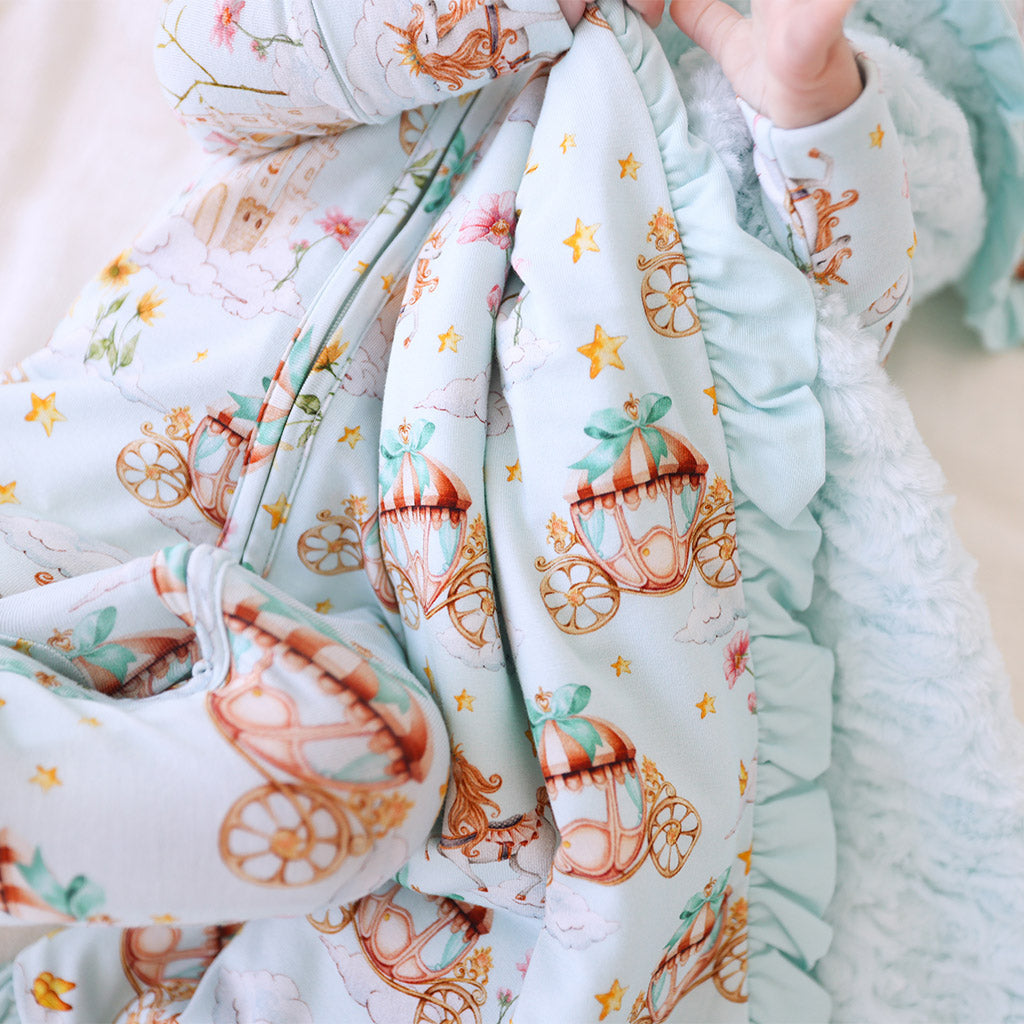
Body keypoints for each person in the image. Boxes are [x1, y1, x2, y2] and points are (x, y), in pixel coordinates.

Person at [0, 1, 1021, 1021]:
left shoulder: (803, 80)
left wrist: (805, 99)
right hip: (113, 477)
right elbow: (215, 60)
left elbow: (822, 325)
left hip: (457, 645)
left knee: (385, 844)